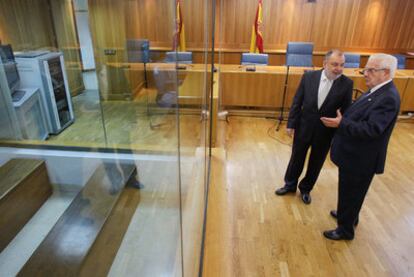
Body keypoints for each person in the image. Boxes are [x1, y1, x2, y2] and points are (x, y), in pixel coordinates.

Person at [320, 53, 400, 240]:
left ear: (386, 73)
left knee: (352, 191)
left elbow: (372, 129)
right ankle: (348, 216)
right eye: (366, 69)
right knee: (350, 191)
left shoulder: (388, 97)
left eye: (371, 70)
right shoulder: (377, 90)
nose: (365, 73)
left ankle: (345, 230)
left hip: (362, 158)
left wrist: (342, 123)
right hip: (355, 154)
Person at [275, 50, 353, 204]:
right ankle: (290, 185)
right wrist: (291, 124)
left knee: (316, 162)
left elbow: (345, 111)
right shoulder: (309, 77)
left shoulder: (347, 84)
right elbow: (297, 101)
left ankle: (306, 189)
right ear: (325, 64)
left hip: (326, 132)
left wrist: (340, 130)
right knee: (296, 158)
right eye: (335, 64)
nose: (339, 68)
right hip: (304, 127)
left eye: (342, 65)